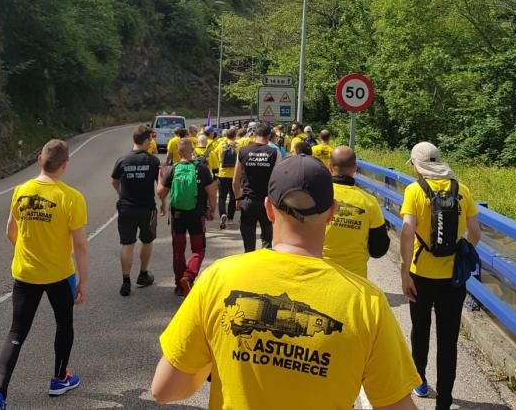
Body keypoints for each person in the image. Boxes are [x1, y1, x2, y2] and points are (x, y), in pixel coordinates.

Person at [151, 156, 421, 410]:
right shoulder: (367, 302)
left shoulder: (219, 278)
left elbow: (164, 390)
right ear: (332, 213)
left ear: (269, 209)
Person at [0, 140, 88, 410]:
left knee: (17, 332)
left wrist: (27, 252)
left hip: (25, 274)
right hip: (59, 275)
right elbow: (81, 245)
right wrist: (84, 281)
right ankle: (59, 378)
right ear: (65, 165)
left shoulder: (20, 191)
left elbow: (10, 231)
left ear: (39, 159)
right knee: (64, 325)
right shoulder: (71, 197)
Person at [399, 141, 481, 408]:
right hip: (452, 280)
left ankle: (420, 380)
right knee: (448, 339)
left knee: (420, 330)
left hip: (420, 273)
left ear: (418, 166)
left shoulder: (414, 191)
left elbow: (407, 231)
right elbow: (475, 233)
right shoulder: (462, 190)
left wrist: (404, 271)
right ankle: (444, 400)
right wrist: (460, 253)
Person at [158, 138, 216, 296]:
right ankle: (189, 276)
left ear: (178, 151)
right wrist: (212, 209)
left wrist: (160, 176)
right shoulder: (202, 169)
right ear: (192, 150)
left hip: (177, 216)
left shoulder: (172, 169)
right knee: (198, 249)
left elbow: (161, 193)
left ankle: (179, 285)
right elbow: (212, 192)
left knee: (178, 250)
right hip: (197, 215)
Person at [111, 125, 162, 296]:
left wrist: (120, 195)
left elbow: (114, 181)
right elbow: (160, 186)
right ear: (146, 140)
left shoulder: (122, 159)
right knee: (147, 241)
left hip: (126, 208)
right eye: (150, 140)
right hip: (147, 208)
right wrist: (163, 202)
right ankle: (143, 274)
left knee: (127, 243)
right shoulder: (153, 161)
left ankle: (126, 281)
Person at [323, 146, 389, 278]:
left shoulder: (317, 195)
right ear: (355, 169)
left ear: (330, 167)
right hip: (355, 278)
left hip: (321, 274)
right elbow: (378, 249)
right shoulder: (370, 202)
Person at [233, 123, 280, 252]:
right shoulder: (274, 152)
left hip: (247, 201)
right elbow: (279, 180)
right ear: (269, 136)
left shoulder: (243, 151)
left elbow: (235, 181)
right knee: (267, 241)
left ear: (254, 134)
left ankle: (250, 267)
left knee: (248, 244)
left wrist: (238, 198)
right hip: (267, 203)